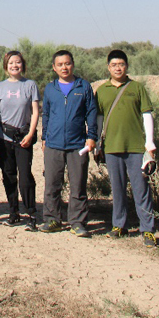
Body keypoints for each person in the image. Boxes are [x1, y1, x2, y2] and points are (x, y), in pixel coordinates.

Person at [95, 49, 158, 248]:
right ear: (108, 67)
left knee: (141, 189)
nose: (118, 68)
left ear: (127, 66)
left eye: (121, 64)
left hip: (136, 147)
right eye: (114, 65)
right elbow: (99, 119)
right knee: (118, 188)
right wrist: (97, 143)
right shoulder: (102, 90)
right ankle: (119, 225)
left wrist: (150, 143)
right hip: (112, 147)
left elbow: (147, 115)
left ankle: (147, 230)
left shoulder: (137, 88)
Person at [40, 49, 98, 237]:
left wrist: (92, 137)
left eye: (67, 63)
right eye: (60, 64)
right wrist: (44, 138)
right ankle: (52, 219)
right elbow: (46, 114)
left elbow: (91, 113)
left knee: (78, 185)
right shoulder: (50, 88)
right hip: (53, 144)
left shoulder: (83, 86)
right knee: (52, 185)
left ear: (73, 64)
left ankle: (77, 222)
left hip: (78, 144)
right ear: (54, 67)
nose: (64, 67)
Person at [0, 51, 40, 231]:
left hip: (23, 138)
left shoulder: (30, 85)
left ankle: (31, 214)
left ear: (23, 64)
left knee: (25, 177)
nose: (15, 65)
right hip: (4, 137)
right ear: (6, 65)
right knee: (8, 176)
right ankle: (13, 213)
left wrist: (30, 134)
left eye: (18, 62)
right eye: (11, 62)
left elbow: (35, 111)